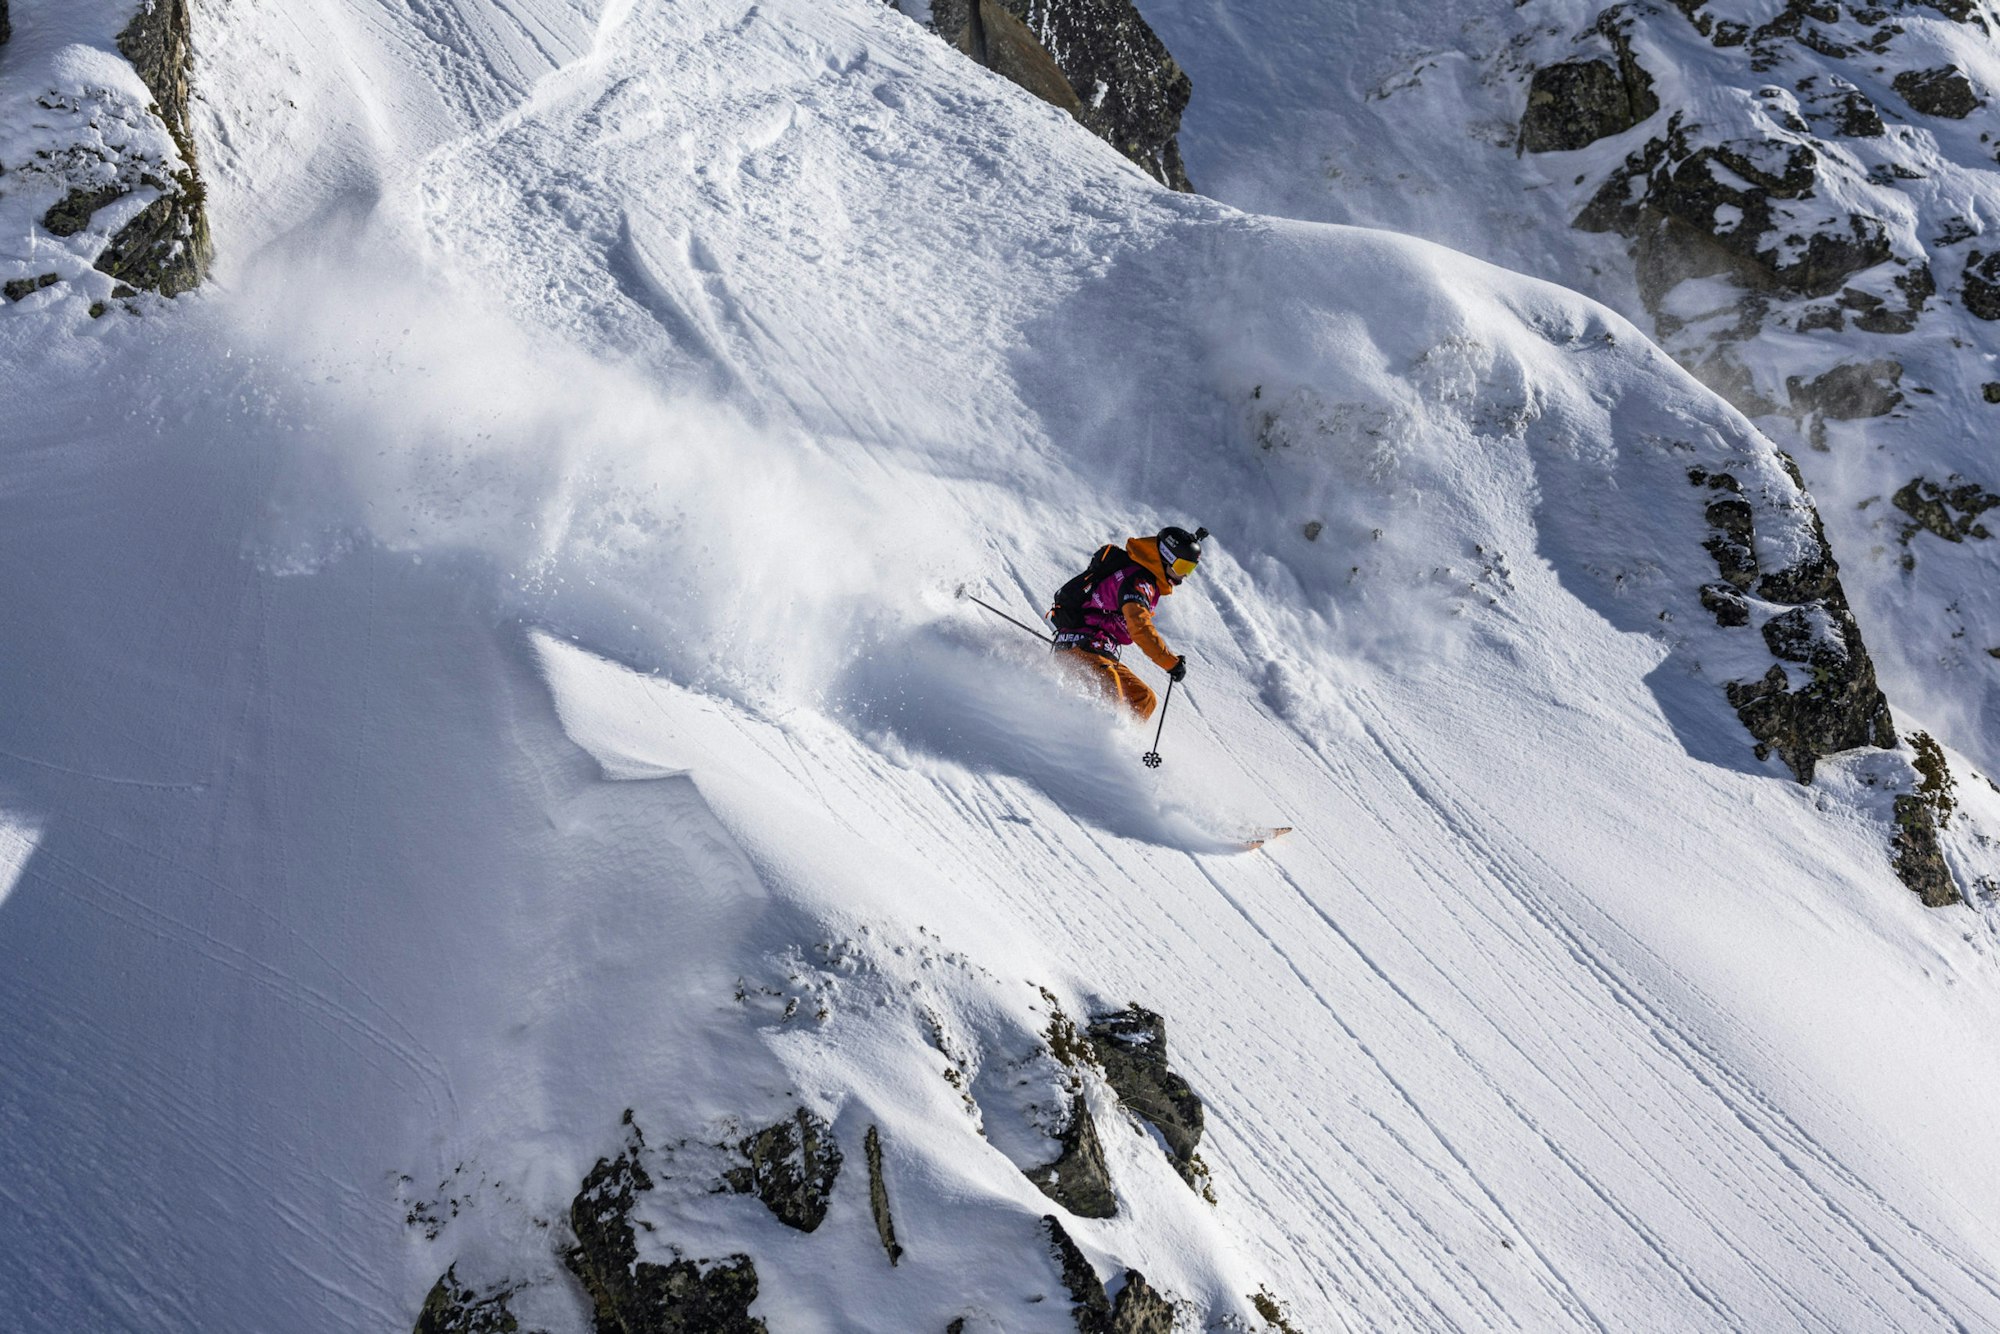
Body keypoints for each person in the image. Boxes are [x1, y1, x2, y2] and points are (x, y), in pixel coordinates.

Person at [1047, 526, 1204, 720]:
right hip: (1081, 646)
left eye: (1190, 569)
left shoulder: (1145, 580)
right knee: (1110, 688)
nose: (1185, 576)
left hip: (1100, 650)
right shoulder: (1139, 581)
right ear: (1166, 557)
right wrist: (1170, 662)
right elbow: (1139, 627)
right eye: (1182, 567)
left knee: (1143, 698)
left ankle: (1125, 740)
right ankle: (1101, 741)